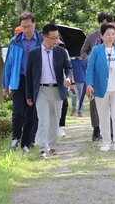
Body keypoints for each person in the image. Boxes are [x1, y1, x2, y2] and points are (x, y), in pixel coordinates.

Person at [26, 24, 73, 158]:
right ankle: (42, 147)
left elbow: (69, 68)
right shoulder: (34, 53)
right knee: (43, 119)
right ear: (44, 36)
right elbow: (29, 76)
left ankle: (52, 146)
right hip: (41, 90)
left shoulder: (62, 52)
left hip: (57, 89)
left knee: (54, 119)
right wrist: (29, 95)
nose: (55, 41)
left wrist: (69, 78)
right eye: (52, 38)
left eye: (57, 38)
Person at [80, 11, 115, 141]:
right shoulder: (92, 36)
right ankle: (97, 128)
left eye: (109, 23)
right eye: (103, 23)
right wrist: (90, 59)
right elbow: (83, 52)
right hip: (97, 75)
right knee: (95, 103)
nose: (106, 25)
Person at [3, 12, 41, 153]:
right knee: (18, 111)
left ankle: (27, 143)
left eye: (29, 26)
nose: (27, 30)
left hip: (34, 81)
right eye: (24, 27)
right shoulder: (15, 41)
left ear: (34, 24)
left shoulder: (41, 40)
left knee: (31, 113)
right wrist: (5, 85)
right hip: (18, 79)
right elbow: (8, 64)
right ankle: (16, 138)